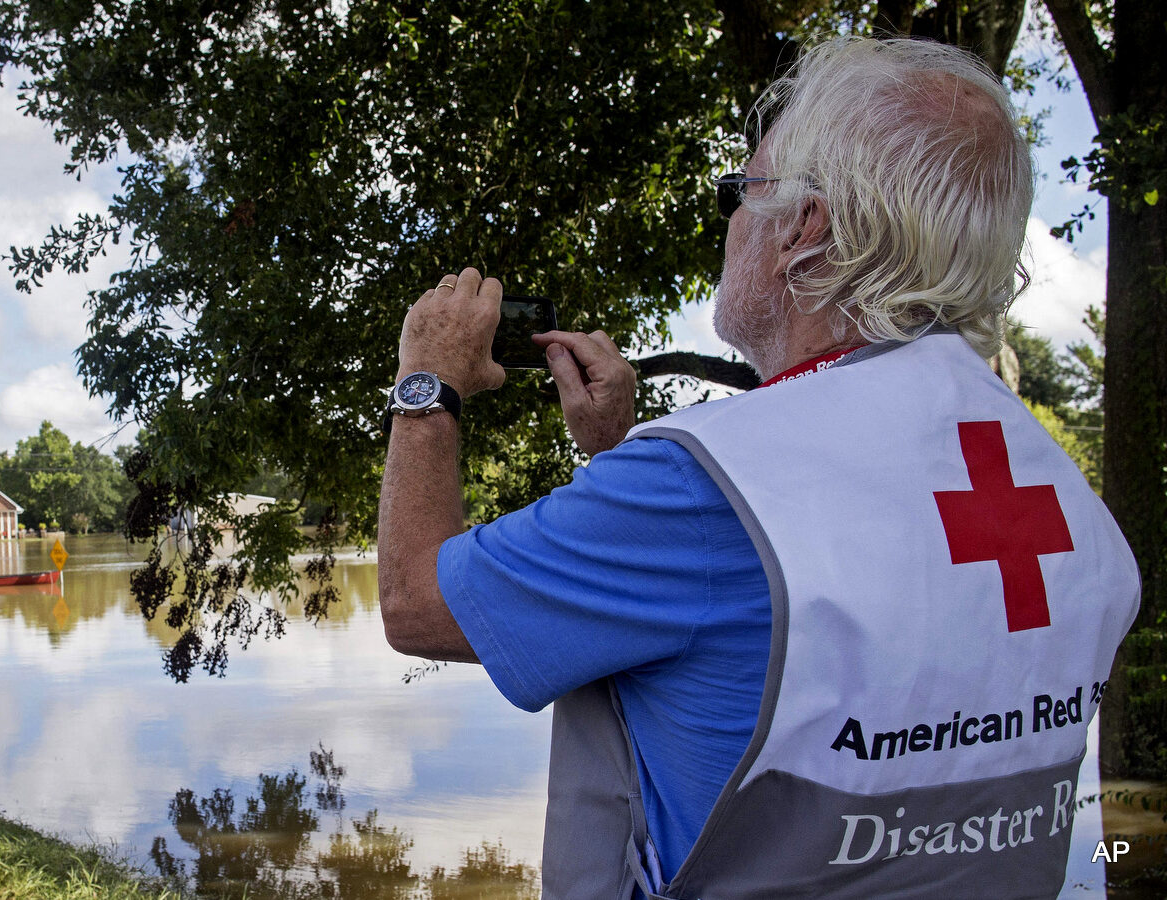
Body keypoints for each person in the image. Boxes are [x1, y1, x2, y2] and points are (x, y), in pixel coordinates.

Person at [377, 36, 1138, 899]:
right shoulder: (1063, 497)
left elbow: (415, 604)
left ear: (802, 231)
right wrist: (616, 459)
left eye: (743, 192)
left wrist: (426, 384)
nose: (732, 222)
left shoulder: (696, 492)